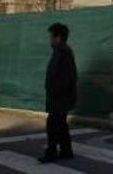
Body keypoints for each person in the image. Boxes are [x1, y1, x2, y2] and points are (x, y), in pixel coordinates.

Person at [39, 23, 78, 163]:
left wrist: (55, 91)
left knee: (53, 124)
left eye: (51, 36)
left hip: (60, 97)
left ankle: (51, 152)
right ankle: (66, 150)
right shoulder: (60, 51)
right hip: (60, 96)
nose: (50, 39)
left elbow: (67, 77)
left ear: (58, 37)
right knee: (60, 124)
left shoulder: (63, 52)